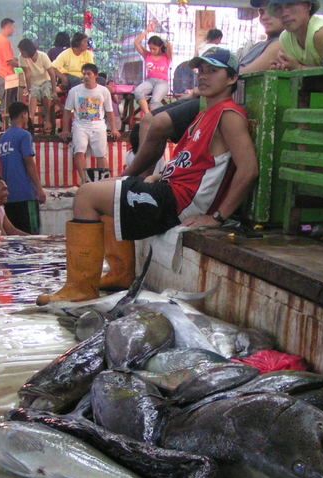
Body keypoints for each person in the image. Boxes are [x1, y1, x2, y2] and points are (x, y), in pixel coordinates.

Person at [41, 47, 257, 304]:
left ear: (232, 78)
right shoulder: (204, 114)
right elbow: (188, 164)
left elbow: (249, 169)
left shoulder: (228, 115)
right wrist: (158, 177)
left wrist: (217, 217)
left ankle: (81, 287)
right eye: (201, 70)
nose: (203, 76)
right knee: (107, 186)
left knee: (87, 195)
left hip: (178, 202)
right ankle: (119, 273)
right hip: (169, 191)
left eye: (213, 71)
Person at [123, 8, 281, 178]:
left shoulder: (280, 43)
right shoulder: (257, 46)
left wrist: (203, 88)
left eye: (272, 9)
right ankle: (136, 180)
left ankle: (133, 181)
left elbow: (239, 74)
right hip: (210, 95)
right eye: (261, 10)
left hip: (223, 98)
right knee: (147, 120)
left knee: (158, 121)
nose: (263, 15)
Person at [61, 63, 120, 186]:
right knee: (79, 150)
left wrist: (114, 129)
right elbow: (67, 111)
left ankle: (102, 183)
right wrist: (65, 130)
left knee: (101, 153)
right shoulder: (74, 91)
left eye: (89, 74)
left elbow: (109, 112)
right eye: (84, 74)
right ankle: (84, 180)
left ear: (96, 75)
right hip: (80, 125)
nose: (86, 77)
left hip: (98, 125)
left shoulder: (104, 91)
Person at [250, 0, 323, 70]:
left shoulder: (322, 33)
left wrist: (299, 68)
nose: (284, 13)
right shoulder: (285, 38)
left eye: (290, 5)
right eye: (278, 8)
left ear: (308, 5)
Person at [0, 102, 47, 234]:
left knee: (13, 238)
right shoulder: (24, 135)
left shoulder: (3, 138)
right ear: (24, 115)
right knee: (32, 238)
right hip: (25, 194)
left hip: (9, 196)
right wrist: (39, 189)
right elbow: (29, 162)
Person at [17, 38, 57, 134]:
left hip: (45, 81)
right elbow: (27, 74)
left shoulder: (43, 56)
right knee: (33, 94)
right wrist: (29, 88)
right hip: (33, 82)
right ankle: (30, 120)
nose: (21, 54)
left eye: (22, 51)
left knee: (46, 94)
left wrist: (54, 90)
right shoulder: (21, 58)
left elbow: (52, 74)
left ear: (28, 50)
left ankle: (47, 119)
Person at [133, 24, 173, 115]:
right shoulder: (147, 55)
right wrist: (147, 31)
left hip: (162, 82)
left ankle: (157, 123)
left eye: (154, 49)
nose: (152, 51)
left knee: (154, 102)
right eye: (150, 48)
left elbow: (170, 46)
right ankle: (148, 115)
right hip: (149, 81)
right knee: (138, 91)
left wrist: (164, 40)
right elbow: (136, 43)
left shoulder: (167, 57)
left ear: (160, 47)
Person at [237, 5, 285, 72]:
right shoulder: (258, 45)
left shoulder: (281, 44)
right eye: (262, 12)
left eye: (273, 11)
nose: (264, 17)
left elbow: (242, 74)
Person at [0, 18, 19, 131]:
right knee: (6, 101)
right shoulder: (4, 41)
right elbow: (9, 61)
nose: (14, 29)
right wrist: (21, 65)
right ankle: (5, 126)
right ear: (7, 26)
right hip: (6, 75)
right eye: (12, 27)